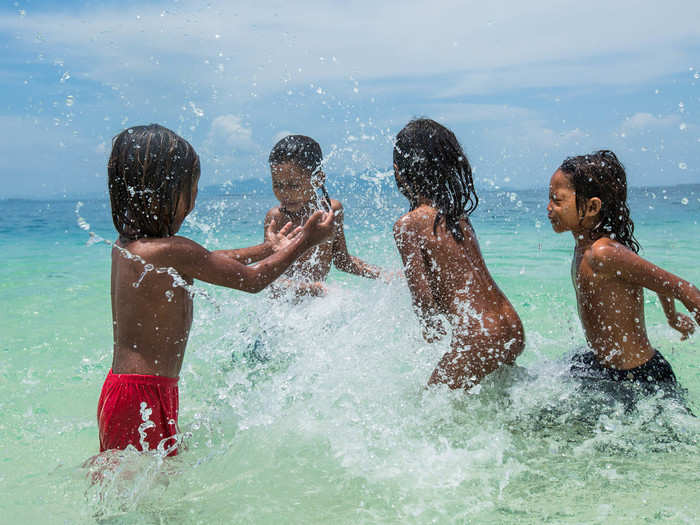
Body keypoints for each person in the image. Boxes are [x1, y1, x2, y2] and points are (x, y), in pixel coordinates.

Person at [99, 124, 335, 456]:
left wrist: (267, 248)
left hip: (133, 389)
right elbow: (252, 281)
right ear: (164, 193)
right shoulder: (172, 251)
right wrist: (304, 242)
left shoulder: (133, 247)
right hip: (143, 395)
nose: (194, 202)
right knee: (142, 493)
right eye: (191, 190)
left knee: (138, 483)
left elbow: (213, 260)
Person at [547, 150, 700, 394]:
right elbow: (654, 279)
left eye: (557, 200)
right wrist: (671, 317)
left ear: (592, 206)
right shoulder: (585, 247)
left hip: (640, 377)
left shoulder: (603, 253)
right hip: (603, 368)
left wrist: (683, 309)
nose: (549, 208)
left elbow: (684, 288)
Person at [392, 118, 525, 389]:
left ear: (398, 171)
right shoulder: (456, 217)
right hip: (510, 323)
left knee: (431, 403)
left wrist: (430, 330)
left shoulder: (408, 224)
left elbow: (422, 297)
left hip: (481, 336)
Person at [264, 134, 385, 298]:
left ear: (318, 179)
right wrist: (312, 288)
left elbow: (343, 261)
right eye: (277, 185)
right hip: (282, 308)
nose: (284, 193)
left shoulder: (331, 210)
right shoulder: (276, 218)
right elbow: (266, 277)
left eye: (293, 185)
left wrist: (383, 275)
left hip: (317, 306)